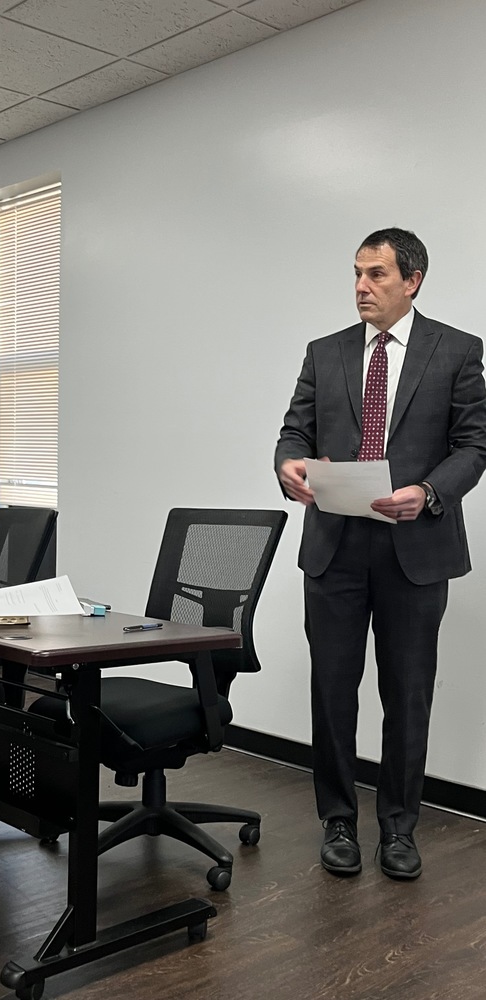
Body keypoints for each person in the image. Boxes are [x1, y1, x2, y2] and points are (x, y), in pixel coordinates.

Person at [275, 228, 486, 881]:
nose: (362, 287)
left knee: (407, 692)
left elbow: (474, 446)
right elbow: (295, 431)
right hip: (334, 547)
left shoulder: (457, 350)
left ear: (412, 280)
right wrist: (287, 466)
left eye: (376, 275)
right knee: (333, 690)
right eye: (357, 274)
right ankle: (338, 820)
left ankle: (399, 826)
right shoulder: (325, 352)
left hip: (414, 550)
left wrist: (426, 492)